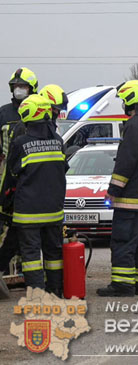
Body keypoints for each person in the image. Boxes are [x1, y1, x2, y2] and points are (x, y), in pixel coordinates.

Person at [97, 80, 138, 297]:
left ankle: (122, 285)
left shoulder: (134, 126)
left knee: (123, 241)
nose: (123, 104)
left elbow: (126, 162)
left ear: (132, 99)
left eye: (124, 99)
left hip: (131, 200)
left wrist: (112, 191)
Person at [6, 94, 67, 296]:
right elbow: (63, 169)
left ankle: (37, 294)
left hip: (29, 212)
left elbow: (13, 173)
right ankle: (55, 290)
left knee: (31, 255)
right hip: (54, 211)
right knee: (54, 254)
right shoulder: (58, 141)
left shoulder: (22, 143)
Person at [0, 67, 38, 276]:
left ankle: (26, 269)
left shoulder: (40, 111)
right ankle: (7, 269)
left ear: (31, 89)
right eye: (15, 86)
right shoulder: (3, 113)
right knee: (6, 222)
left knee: (27, 224)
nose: (18, 90)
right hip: (6, 173)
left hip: (30, 175)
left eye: (22, 86)